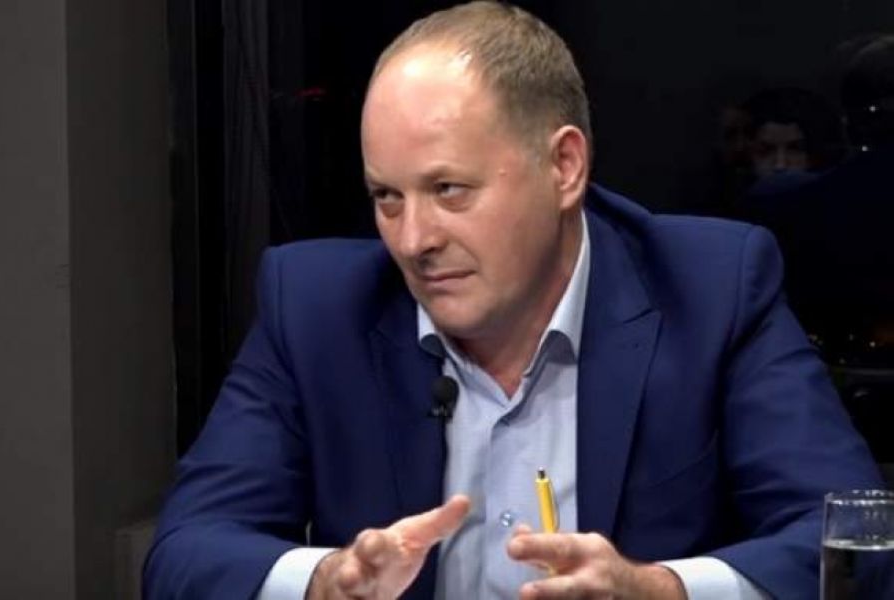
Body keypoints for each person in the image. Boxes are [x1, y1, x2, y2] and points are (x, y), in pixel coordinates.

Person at [144, 3, 883, 598]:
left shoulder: (711, 291)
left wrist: (659, 590)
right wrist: (324, 584)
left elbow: (857, 544)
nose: (413, 239)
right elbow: (185, 552)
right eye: (386, 197)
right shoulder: (316, 308)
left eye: (448, 190)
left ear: (564, 167)